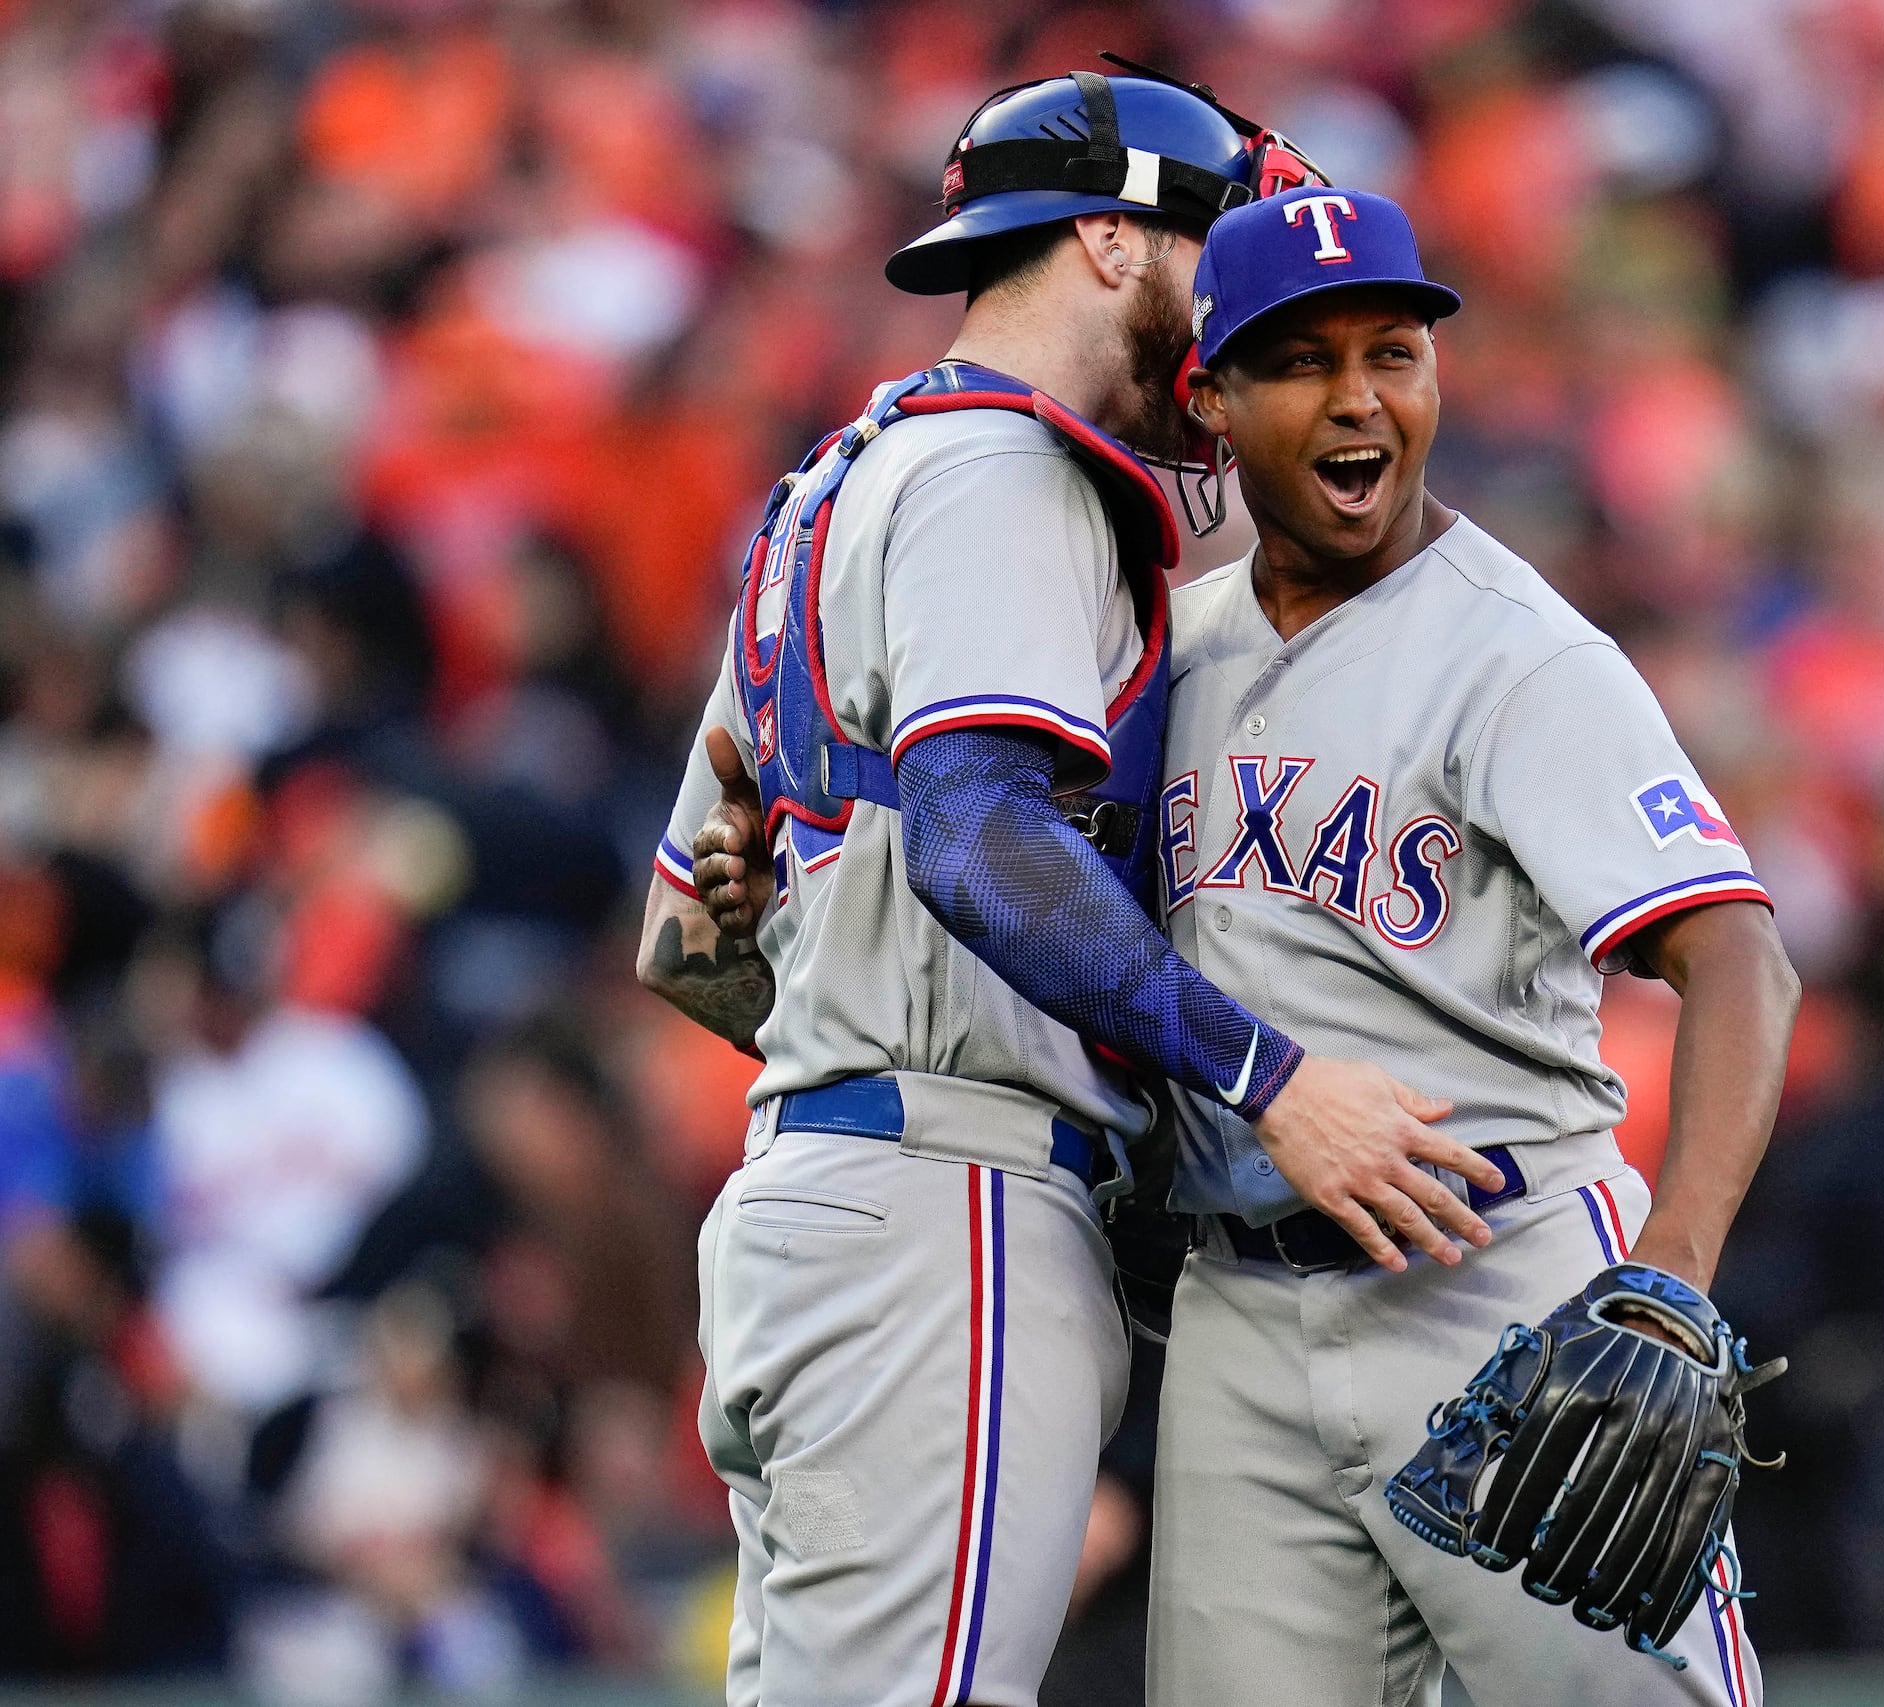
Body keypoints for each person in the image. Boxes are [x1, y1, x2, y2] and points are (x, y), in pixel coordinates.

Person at [645, 70, 1498, 1707]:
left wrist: (861, 1014)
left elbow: (689, 941)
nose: (1243, 300)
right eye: (1212, 239)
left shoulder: (833, 488)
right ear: (1113, 242)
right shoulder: (1005, 473)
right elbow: (977, 838)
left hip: (840, 1199)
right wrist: (1271, 1078)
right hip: (941, 1222)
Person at [1142, 189, 1798, 1706]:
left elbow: (1741, 958)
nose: (1362, 396)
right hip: (1240, 1308)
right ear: (1212, 400)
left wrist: (1673, 1280)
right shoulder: (1172, 649)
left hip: (1496, 1289)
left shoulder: (1522, 654)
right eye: (1303, 360)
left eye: (1395, 351)